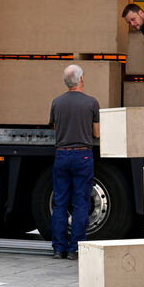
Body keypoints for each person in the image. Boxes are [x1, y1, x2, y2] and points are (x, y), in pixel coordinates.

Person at [49, 64, 100, 260]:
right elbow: (96, 133)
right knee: (80, 203)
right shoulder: (91, 103)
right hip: (83, 155)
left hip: (61, 154)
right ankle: (74, 249)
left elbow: (56, 128)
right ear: (82, 80)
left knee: (60, 203)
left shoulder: (57, 102)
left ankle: (58, 249)